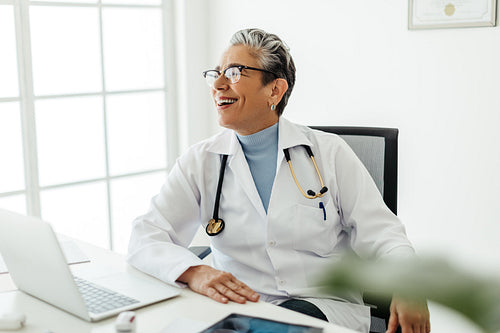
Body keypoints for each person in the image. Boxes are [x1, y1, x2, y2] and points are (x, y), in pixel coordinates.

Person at [127, 28, 430, 333]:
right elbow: (146, 236)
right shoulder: (201, 160)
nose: (218, 85)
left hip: (320, 305)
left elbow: (384, 235)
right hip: (237, 308)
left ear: (275, 90)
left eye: (234, 73)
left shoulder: (328, 153)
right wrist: (195, 272)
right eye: (216, 74)